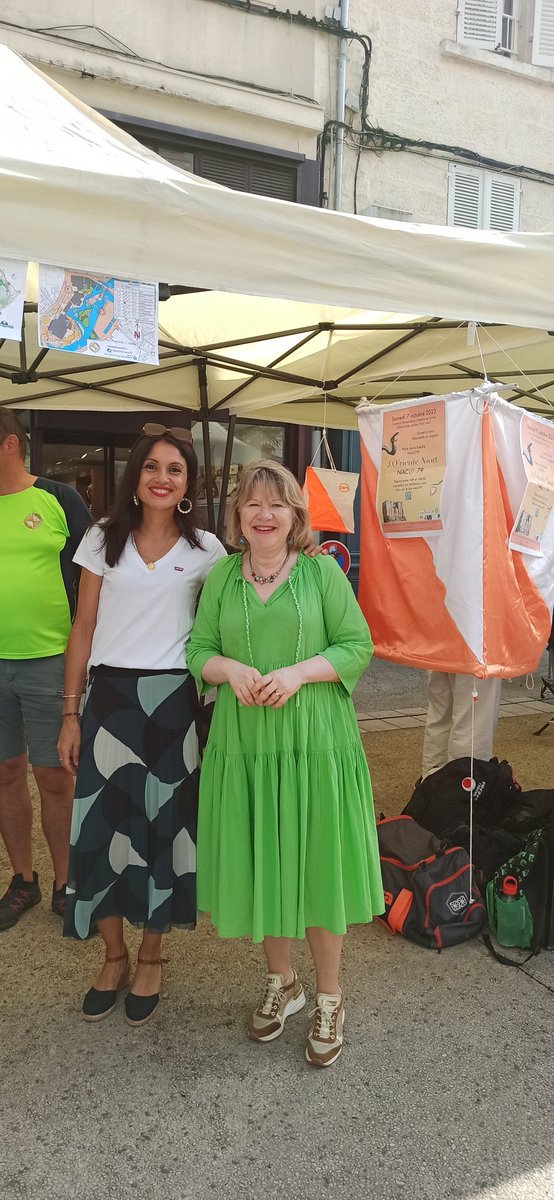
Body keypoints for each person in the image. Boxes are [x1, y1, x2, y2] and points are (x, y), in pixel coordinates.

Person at [187, 461, 384, 1068]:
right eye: (252, 504)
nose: (264, 514)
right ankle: (283, 983)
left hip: (313, 741)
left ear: (296, 515)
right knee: (264, 858)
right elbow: (198, 650)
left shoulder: (323, 572)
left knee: (317, 863)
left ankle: (329, 996)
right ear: (238, 516)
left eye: (277, 504)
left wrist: (299, 674)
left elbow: (357, 645)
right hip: (246, 744)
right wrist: (230, 672)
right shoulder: (222, 576)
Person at [57, 426, 226, 1025]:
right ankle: (112, 954)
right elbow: (82, 630)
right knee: (101, 830)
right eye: (152, 466)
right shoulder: (101, 540)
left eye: (175, 469)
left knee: (165, 834)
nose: (162, 477)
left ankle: (152, 957)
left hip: (175, 705)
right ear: (136, 476)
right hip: (109, 702)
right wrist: (70, 711)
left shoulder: (209, 550)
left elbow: (225, 625)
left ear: (188, 483)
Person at [0, 410, 91, 931]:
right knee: (5, 771)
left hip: (50, 660)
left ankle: (66, 881)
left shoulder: (58, 498)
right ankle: (22, 879)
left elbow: (96, 576)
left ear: (10, 443)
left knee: (54, 776)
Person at [421, 671, 502, 778]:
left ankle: (431, 781)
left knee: (441, 714)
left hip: (437, 654)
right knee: (474, 721)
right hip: (477, 658)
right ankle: (465, 785)